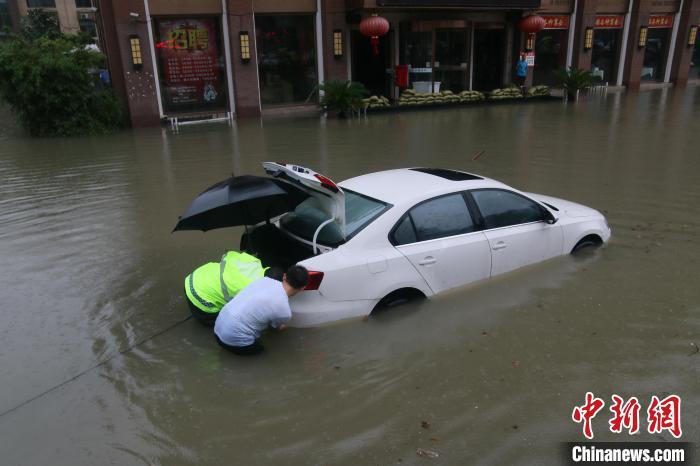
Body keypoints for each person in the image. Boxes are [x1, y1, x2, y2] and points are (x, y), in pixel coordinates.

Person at [214, 265, 309, 355]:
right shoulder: (284, 311)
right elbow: (278, 328)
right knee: (263, 353)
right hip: (233, 342)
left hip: (217, 327)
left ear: (284, 276)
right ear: (302, 288)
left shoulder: (264, 280)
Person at [184, 250, 270, 326]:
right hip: (199, 298)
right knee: (227, 322)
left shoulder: (255, 262)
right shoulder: (250, 290)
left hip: (195, 277)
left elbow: (230, 254)